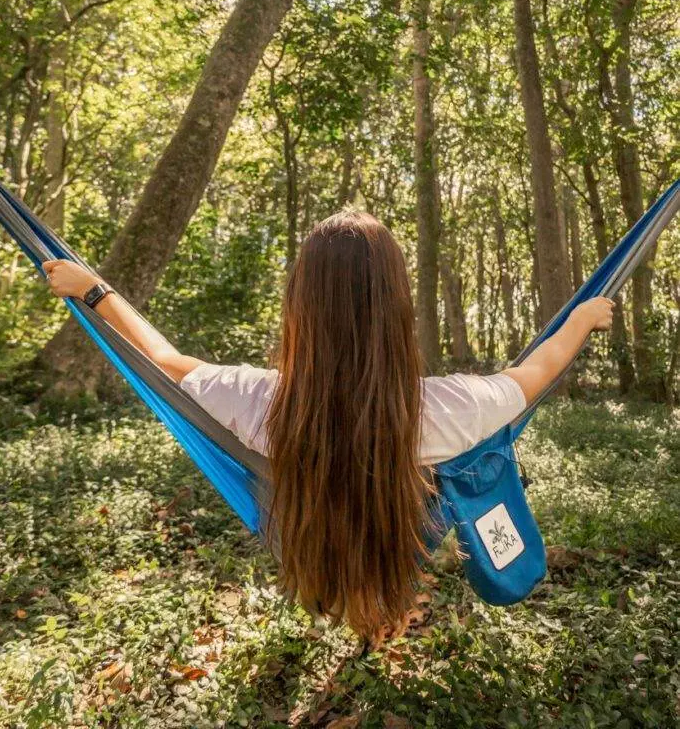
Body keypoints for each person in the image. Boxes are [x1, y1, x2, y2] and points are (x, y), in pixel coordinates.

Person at [42, 210, 614, 643]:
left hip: (316, 545)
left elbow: (165, 360)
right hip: (394, 540)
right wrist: (583, 317)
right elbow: (536, 370)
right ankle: (377, 609)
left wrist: (94, 290)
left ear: (300, 304)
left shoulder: (261, 400)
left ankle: (358, 607)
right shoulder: (445, 408)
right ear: (397, 307)